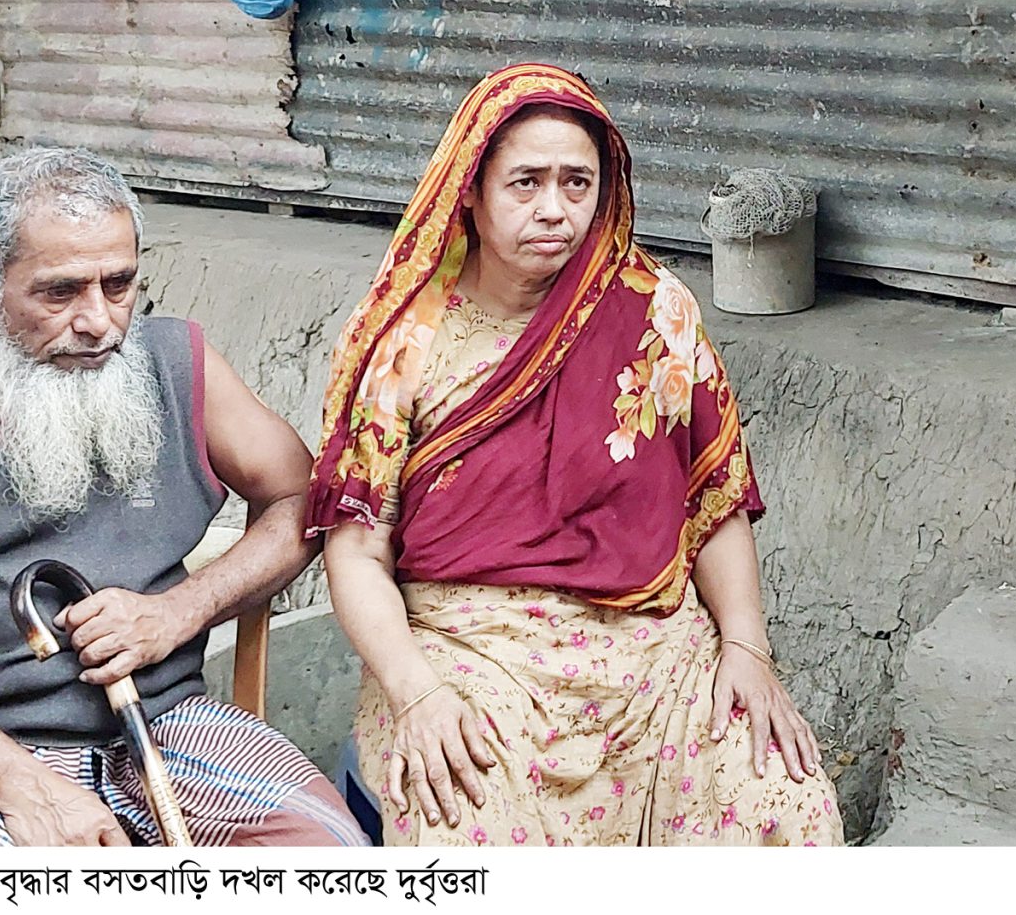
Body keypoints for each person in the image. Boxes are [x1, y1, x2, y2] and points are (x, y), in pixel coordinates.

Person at [313, 63, 841, 846]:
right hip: (473, 655)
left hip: (658, 658)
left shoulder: (653, 311)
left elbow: (714, 499)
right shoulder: (407, 340)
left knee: (787, 808)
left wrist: (747, 647)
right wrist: (416, 692)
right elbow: (355, 548)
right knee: (465, 826)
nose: (554, 209)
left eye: (577, 182)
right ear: (473, 189)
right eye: (525, 183)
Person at [0, 146, 369, 847]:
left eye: (118, 284)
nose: (99, 321)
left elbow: (303, 500)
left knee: (331, 855)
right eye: (59, 291)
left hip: (167, 719)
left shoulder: (180, 363)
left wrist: (181, 610)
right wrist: (20, 782)